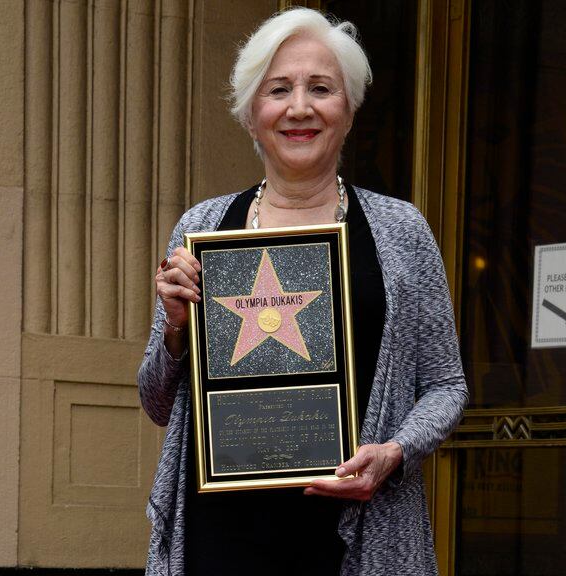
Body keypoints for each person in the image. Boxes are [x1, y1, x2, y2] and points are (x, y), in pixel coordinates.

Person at [138, 7, 467, 576]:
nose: (299, 108)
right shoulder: (206, 226)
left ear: (349, 107)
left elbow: (445, 385)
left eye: (321, 88)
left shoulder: (401, 231)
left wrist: (394, 453)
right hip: (223, 536)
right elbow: (158, 402)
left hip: (358, 534)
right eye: (278, 90)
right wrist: (172, 329)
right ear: (250, 112)